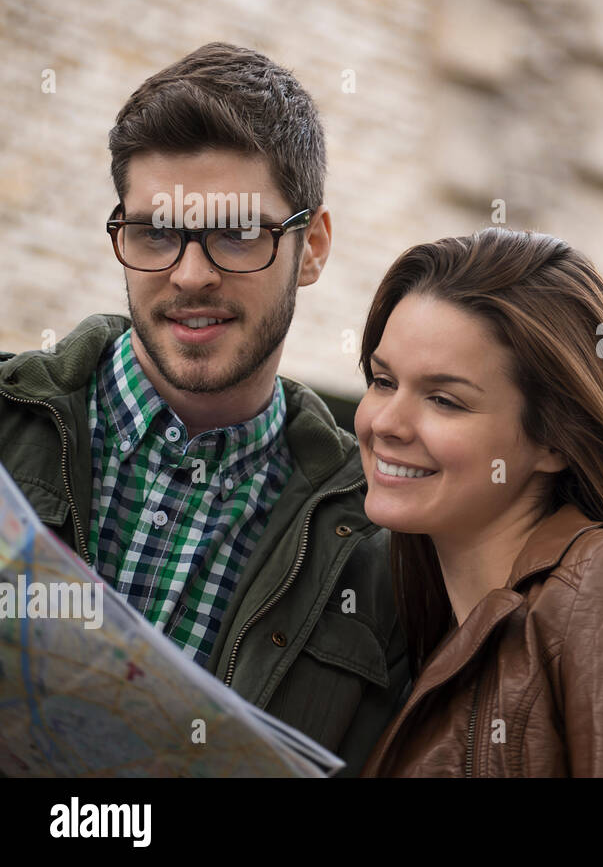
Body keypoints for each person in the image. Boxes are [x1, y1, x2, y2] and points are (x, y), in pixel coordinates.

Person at [0, 43, 408, 776]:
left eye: (237, 233)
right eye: (157, 232)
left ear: (310, 247)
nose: (191, 275)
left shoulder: (382, 555)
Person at [358, 228, 603, 777]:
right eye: (382, 380)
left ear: (555, 439)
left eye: (444, 400)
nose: (386, 424)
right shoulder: (419, 641)